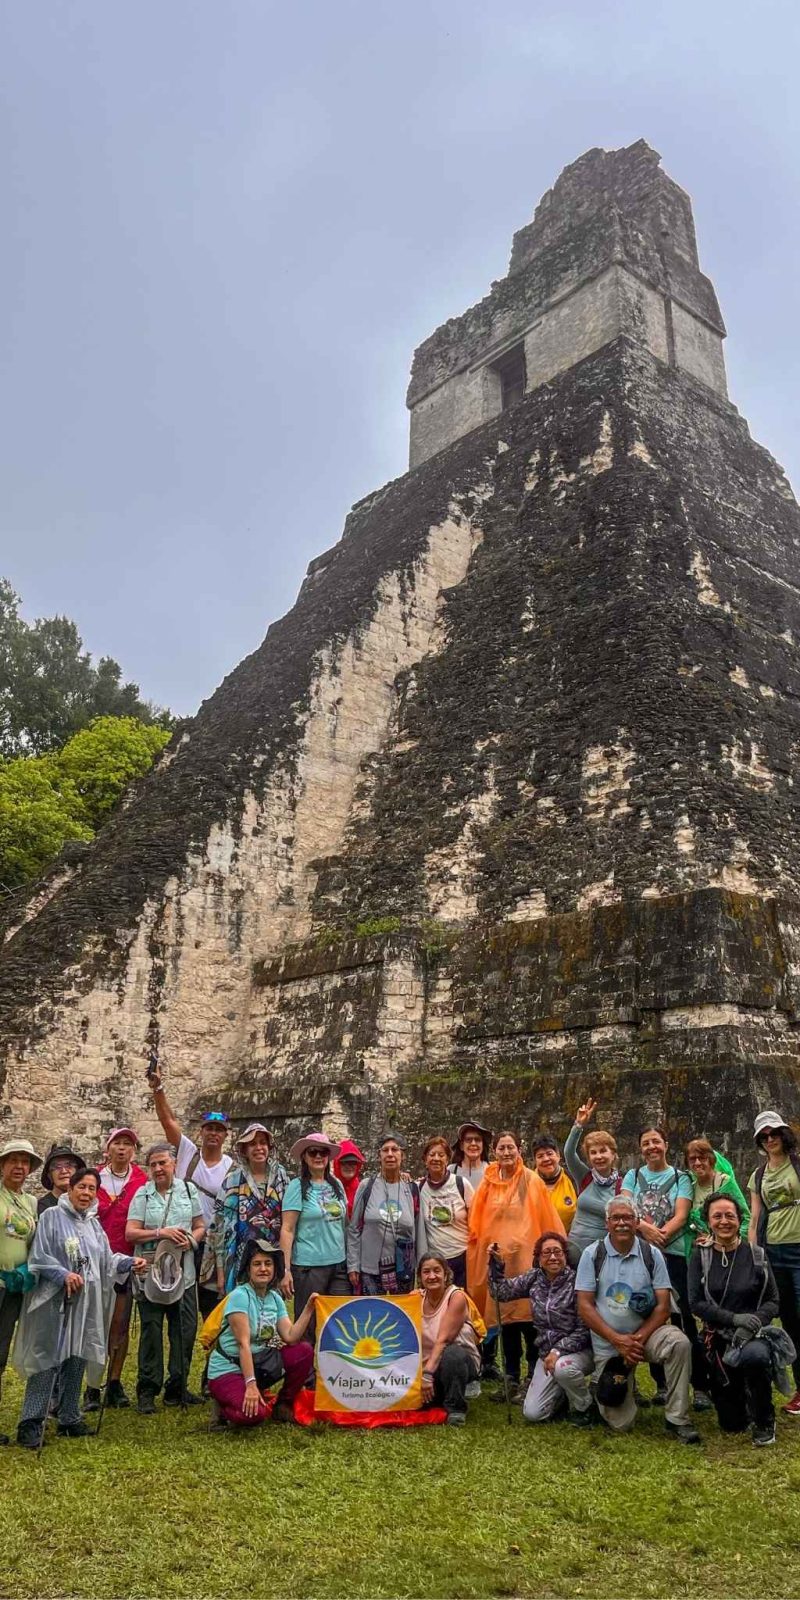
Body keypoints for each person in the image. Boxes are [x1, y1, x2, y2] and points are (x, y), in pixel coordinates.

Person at [14, 1167, 146, 1449]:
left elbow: (106, 1260)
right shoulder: (52, 1217)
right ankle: (31, 1421)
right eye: (82, 1187)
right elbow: (39, 1256)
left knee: (77, 1357)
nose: (86, 1193)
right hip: (55, 1302)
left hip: (85, 1305)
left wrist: (128, 1263)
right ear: (71, 1189)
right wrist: (62, 1274)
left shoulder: (93, 1225)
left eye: (91, 1188)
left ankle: (69, 1416)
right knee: (47, 1359)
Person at [575, 1194, 700, 1443]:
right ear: (607, 1223)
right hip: (609, 1344)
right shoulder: (592, 1254)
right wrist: (617, 1340)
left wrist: (636, 1341)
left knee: (679, 1343)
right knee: (621, 1424)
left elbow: (663, 1307)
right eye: (616, 1218)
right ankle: (611, 1384)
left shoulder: (652, 1254)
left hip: (646, 1336)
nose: (622, 1223)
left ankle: (677, 1418)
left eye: (628, 1218)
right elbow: (585, 1306)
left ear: (636, 1221)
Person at [466, 1130, 564, 1400]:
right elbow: (478, 1222)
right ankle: (511, 1376)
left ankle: (532, 1374)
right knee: (506, 1320)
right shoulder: (488, 1183)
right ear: (494, 1152)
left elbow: (546, 1218)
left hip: (527, 1264)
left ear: (518, 1150)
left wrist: (550, 1256)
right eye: (502, 1148)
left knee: (530, 1319)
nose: (506, 1152)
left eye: (511, 1147)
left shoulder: (531, 1181)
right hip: (501, 1265)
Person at [621, 1125, 709, 1408]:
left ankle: (700, 1386)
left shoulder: (681, 1177)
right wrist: (645, 1229)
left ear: (666, 1144)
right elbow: (625, 1208)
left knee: (685, 1318)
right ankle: (661, 1384)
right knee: (649, 1316)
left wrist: (660, 1236)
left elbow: (682, 1215)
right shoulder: (632, 1176)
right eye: (646, 1143)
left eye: (656, 1141)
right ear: (640, 1149)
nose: (651, 1147)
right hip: (643, 1258)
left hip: (674, 1256)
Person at [689, 1191, 779, 1446]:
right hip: (718, 1338)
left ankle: (764, 1419)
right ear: (708, 1221)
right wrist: (733, 1319)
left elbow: (773, 1300)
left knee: (755, 1356)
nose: (724, 1221)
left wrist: (753, 1321)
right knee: (732, 1424)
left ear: (739, 1219)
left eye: (730, 1215)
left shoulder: (757, 1255)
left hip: (753, 1335)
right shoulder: (701, 1256)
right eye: (717, 1216)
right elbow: (696, 1302)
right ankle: (739, 1393)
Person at [125, 1141, 205, 1413]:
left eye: (163, 1163)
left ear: (174, 1164)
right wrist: (160, 1233)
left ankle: (177, 1387)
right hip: (151, 1273)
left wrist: (191, 1241)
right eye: (153, 1164)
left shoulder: (188, 1190)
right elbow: (131, 1232)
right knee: (151, 1330)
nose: (158, 1168)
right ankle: (147, 1390)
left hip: (184, 1272)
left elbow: (200, 1225)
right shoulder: (143, 1194)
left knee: (184, 1330)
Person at [149, 1062, 232, 1321]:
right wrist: (158, 1089)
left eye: (219, 1130)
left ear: (225, 1135)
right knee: (178, 1301)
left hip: (211, 1243)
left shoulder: (231, 1167)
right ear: (201, 1131)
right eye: (209, 1128)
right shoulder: (188, 1153)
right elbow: (168, 1121)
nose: (213, 1134)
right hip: (182, 1238)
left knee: (211, 1306)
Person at [207, 1240, 316, 1427]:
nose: (263, 1269)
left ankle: (283, 1405)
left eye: (268, 1264)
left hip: (260, 1363)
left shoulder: (275, 1298)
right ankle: (222, 1409)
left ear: (275, 1268)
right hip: (229, 1369)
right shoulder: (239, 1296)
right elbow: (243, 1344)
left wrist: (308, 1309)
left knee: (303, 1351)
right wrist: (250, 1385)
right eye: (257, 1264)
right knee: (255, 1415)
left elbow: (290, 1337)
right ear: (248, 1269)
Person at [490, 1231, 595, 1425]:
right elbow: (501, 1292)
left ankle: (585, 1406)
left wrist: (558, 1351)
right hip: (547, 1354)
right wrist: (497, 1266)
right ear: (538, 1258)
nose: (553, 1257)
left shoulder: (578, 1282)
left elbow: (583, 1330)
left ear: (565, 1256)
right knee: (533, 1414)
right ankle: (561, 1396)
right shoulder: (534, 1278)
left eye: (557, 1252)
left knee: (563, 1369)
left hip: (579, 1351)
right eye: (546, 1253)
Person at [83, 1126, 147, 1412]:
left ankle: (114, 1381)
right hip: (94, 1262)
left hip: (126, 1262)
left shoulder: (141, 1181)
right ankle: (91, 1385)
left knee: (119, 1325)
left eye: (127, 1144)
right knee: (94, 1324)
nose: (122, 1148)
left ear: (133, 1150)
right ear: (107, 1148)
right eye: (117, 1143)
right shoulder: (93, 1179)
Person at [748, 1109, 800, 1416]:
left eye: (774, 1133)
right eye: (764, 1136)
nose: (770, 1139)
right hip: (775, 1251)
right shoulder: (759, 1175)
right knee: (790, 1321)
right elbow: (754, 1219)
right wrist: (754, 1256)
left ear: (783, 1134)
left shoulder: (797, 1164)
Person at [279, 1132, 349, 1336]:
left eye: (323, 1152)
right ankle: (306, 1358)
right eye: (313, 1152)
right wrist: (285, 1269)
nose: (318, 1156)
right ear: (304, 1156)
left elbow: (344, 1225)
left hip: (338, 1265)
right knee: (307, 1326)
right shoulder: (297, 1187)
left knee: (339, 1326)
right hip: (309, 1267)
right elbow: (287, 1229)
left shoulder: (336, 1185)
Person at [211, 1123, 288, 1295]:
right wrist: (221, 1272)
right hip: (241, 1261)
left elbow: (290, 1221)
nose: (259, 1148)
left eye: (263, 1143)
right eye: (252, 1144)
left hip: (274, 1260)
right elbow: (219, 1228)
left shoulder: (281, 1177)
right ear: (244, 1150)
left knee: (272, 1307)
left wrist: (287, 1268)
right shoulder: (232, 1181)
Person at [347, 1133, 427, 1294]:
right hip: (370, 1269)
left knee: (401, 1309)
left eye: (395, 1150)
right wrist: (353, 1264)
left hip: (403, 1269)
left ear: (402, 1155)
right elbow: (354, 1228)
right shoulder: (366, 1186)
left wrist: (423, 1267)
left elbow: (419, 1230)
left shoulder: (411, 1188)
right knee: (373, 1309)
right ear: (379, 1156)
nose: (390, 1154)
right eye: (385, 1150)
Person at [0, 1138, 41, 1431]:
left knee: (1, 1351)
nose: (19, 1166)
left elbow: (32, 1243)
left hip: (14, 1287)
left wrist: (27, 1267)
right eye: (13, 1160)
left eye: (24, 1162)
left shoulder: (30, 1202)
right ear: (3, 1165)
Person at [419, 1253, 482, 1426]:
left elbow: (444, 1340)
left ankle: (456, 1408)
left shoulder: (456, 1297)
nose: (432, 1276)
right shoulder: (415, 1298)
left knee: (452, 1353)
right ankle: (440, 1394)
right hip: (428, 1365)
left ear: (446, 1275)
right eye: (426, 1272)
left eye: (437, 1271)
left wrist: (427, 1375)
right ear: (420, 1277)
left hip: (456, 1360)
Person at [563, 1098, 623, 1251]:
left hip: (602, 1251)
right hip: (574, 1249)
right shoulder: (585, 1177)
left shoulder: (622, 1185)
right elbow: (568, 1153)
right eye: (593, 1153)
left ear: (613, 1154)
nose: (599, 1156)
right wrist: (578, 1125)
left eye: (603, 1151)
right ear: (589, 1158)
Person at [419, 1136, 473, 1288]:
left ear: (447, 1159)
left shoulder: (461, 1184)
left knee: (462, 1299)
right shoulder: (419, 1188)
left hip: (463, 1258)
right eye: (432, 1154)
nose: (436, 1158)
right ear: (425, 1160)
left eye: (441, 1155)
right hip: (435, 1262)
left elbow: (476, 1220)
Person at [685, 1139, 750, 1251]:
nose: (697, 1163)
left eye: (702, 1158)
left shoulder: (724, 1183)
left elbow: (746, 1217)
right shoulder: (690, 1188)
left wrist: (725, 1239)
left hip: (728, 1249)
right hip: (702, 1252)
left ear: (711, 1160)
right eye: (692, 1159)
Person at [530, 1135, 577, 1234]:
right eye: (540, 1156)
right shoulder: (527, 1182)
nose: (546, 1159)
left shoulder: (573, 1179)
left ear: (558, 1155)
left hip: (568, 1240)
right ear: (535, 1160)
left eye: (549, 1153)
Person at [37, 1145, 84, 1216]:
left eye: (69, 1165)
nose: (64, 1171)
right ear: (49, 1176)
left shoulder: (84, 1205)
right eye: (57, 1167)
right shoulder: (42, 1208)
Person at [450, 1123, 492, 1190]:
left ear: (483, 1145)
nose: (473, 1143)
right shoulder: (451, 1171)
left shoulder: (492, 1170)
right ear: (461, 1146)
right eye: (468, 1140)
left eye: (477, 1139)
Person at [332, 1139, 366, 1218]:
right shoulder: (328, 1187)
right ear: (337, 1164)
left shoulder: (363, 1189)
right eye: (344, 1163)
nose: (348, 1167)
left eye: (353, 1163)